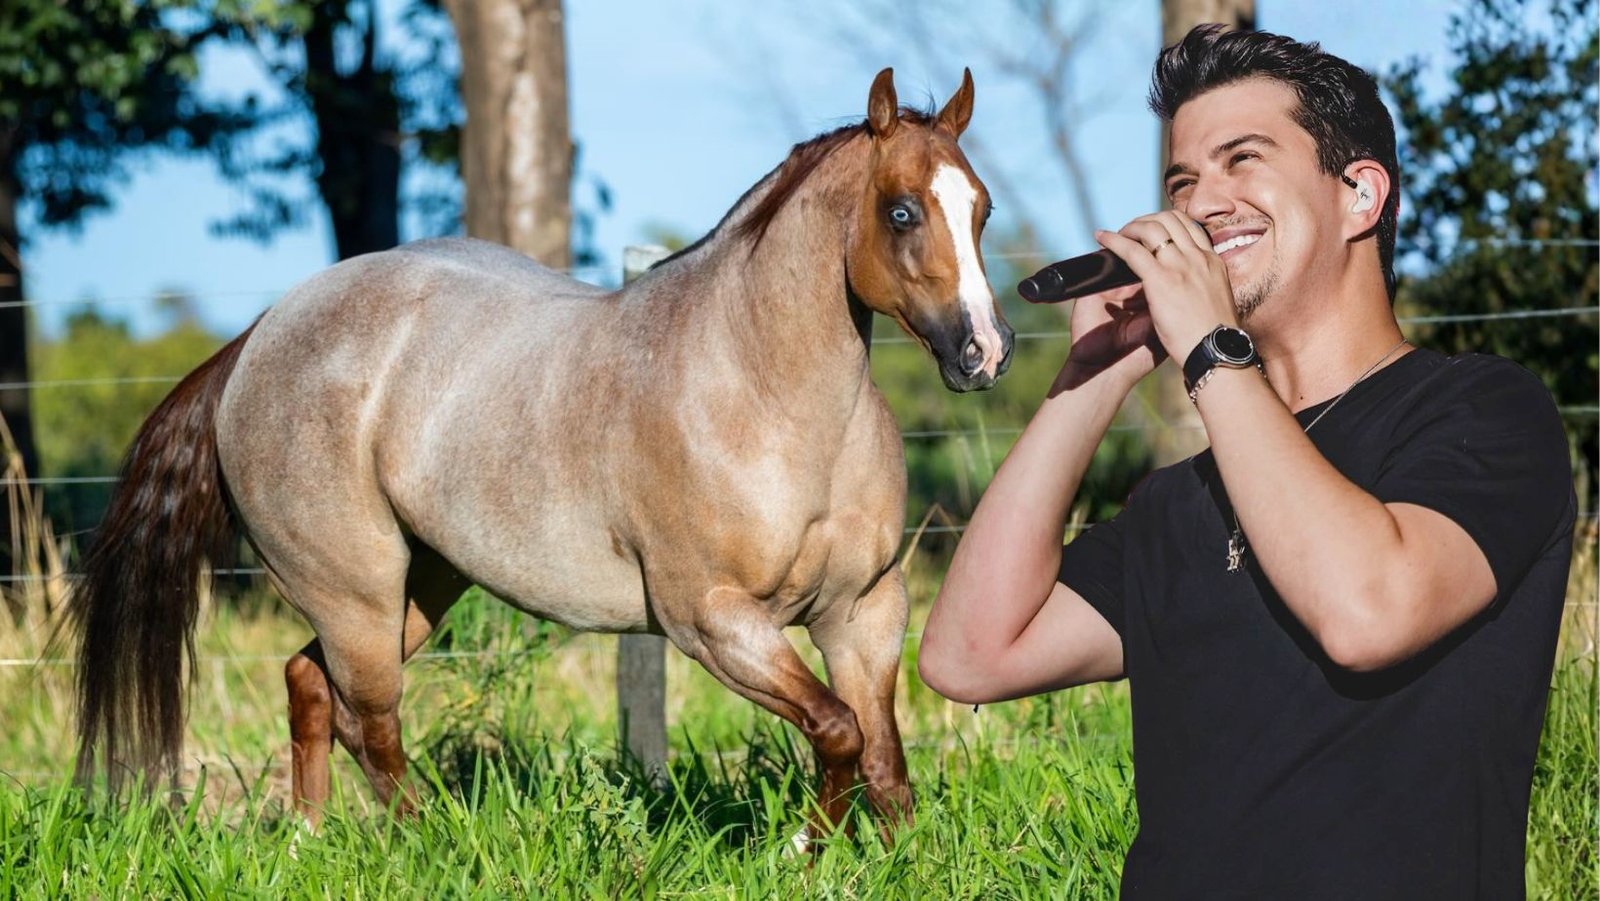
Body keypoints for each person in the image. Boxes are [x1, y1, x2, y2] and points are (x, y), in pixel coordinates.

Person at [918, 24, 1576, 899]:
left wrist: (1209, 350)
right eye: (1183, 180)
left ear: (1359, 196)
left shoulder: (1483, 412)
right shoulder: (1180, 501)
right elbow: (968, 655)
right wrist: (1091, 379)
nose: (1202, 203)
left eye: (1242, 160)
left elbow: (1367, 612)